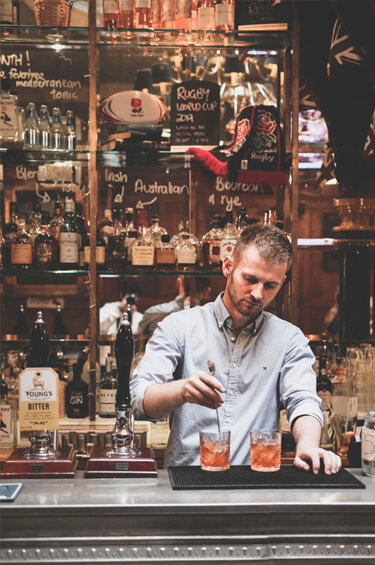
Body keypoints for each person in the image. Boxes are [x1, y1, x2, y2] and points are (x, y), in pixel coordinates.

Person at [131, 224, 342, 475]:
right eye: (250, 279)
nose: (257, 293)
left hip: (255, 490)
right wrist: (182, 390)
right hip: (186, 490)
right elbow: (138, 400)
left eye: (270, 286)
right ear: (228, 267)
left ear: (283, 282)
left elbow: (304, 400)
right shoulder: (180, 327)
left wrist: (307, 444)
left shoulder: (289, 340)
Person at [137, 276, 212, 335]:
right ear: (207, 291)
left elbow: (136, 344)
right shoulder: (209, 320)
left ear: (178, 283)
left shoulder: (152, 312)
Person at [99, 279, 143, 365]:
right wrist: (119, 310)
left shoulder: (140, 317)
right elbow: (97, 326)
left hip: (131, 364)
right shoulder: (109, 308)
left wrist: (131, 314)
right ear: (121, 295)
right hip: (106, 363)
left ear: (139, 299)